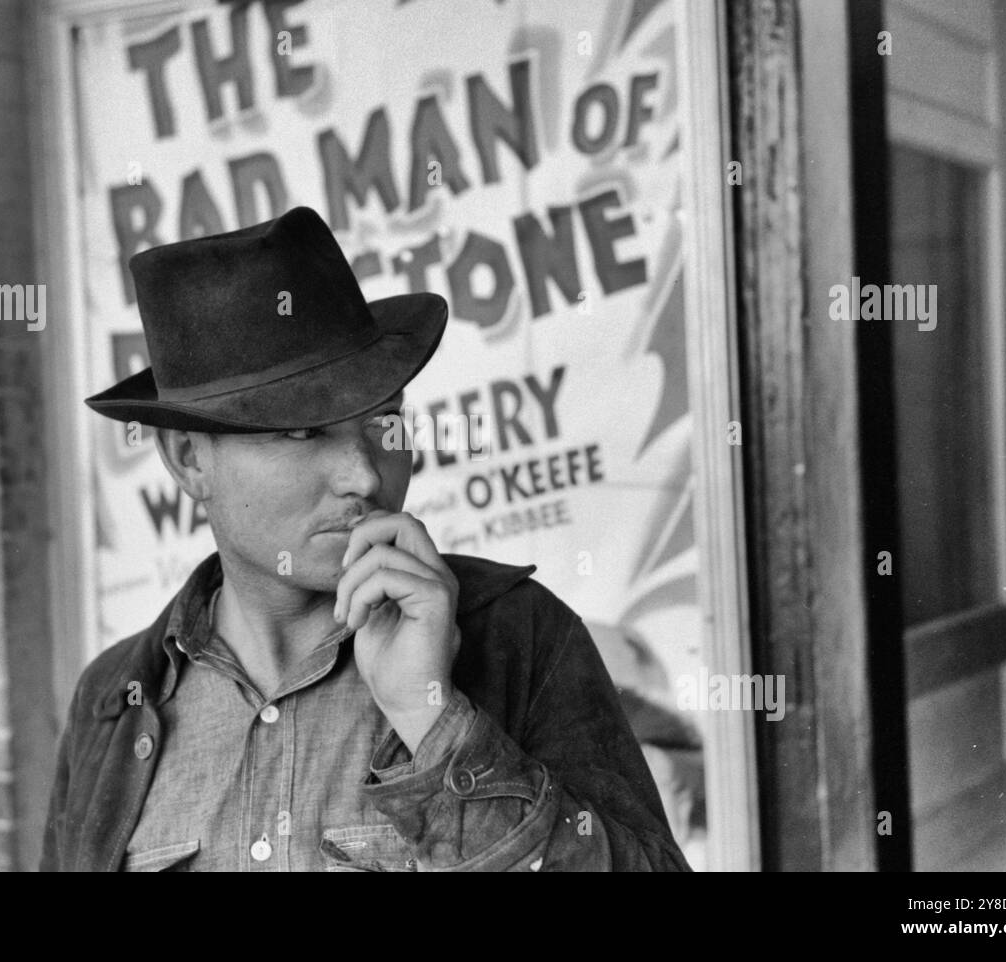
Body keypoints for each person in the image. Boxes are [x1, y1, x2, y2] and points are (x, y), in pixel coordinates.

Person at [40, 206, 690, 872]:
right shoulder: (116, 699)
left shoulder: (519, 639)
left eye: (385, 422)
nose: (363, 473)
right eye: (301, 432)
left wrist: (433, 723)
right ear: (187, 460)